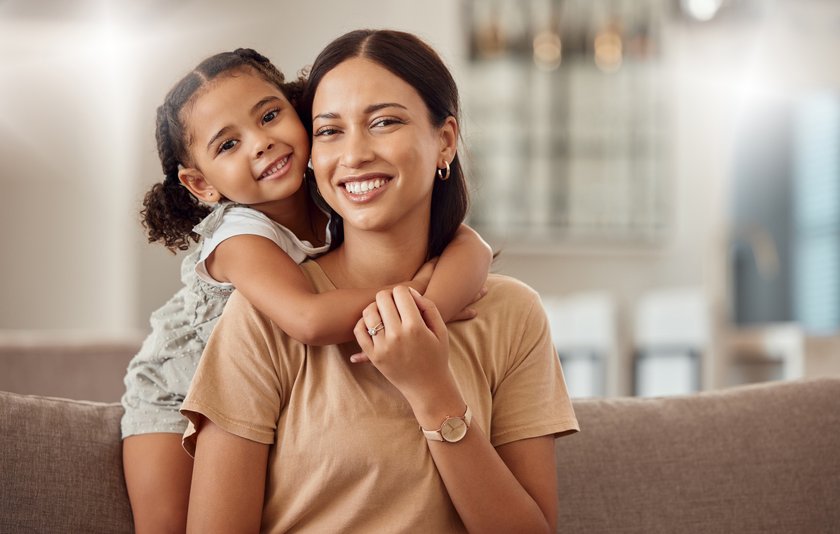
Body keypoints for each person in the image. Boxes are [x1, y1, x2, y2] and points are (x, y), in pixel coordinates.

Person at [182, 30, 578, 533]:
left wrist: (432, 391)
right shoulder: (263, 315)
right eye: (329, 131)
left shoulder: (512, 314)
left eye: (384, 122)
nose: (355, 154)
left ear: (445, 140)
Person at [121, 48, 492, 534]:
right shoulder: (238, 237)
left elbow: (472, 247)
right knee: (165, 525)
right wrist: (405, 293)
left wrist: (423, 315)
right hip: (172, 387)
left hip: (261, 386)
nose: (260, 143)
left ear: (300, 114)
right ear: (201, 183)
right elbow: (309, 320)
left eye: (270, 116)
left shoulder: (339, 189)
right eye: (228, 145)